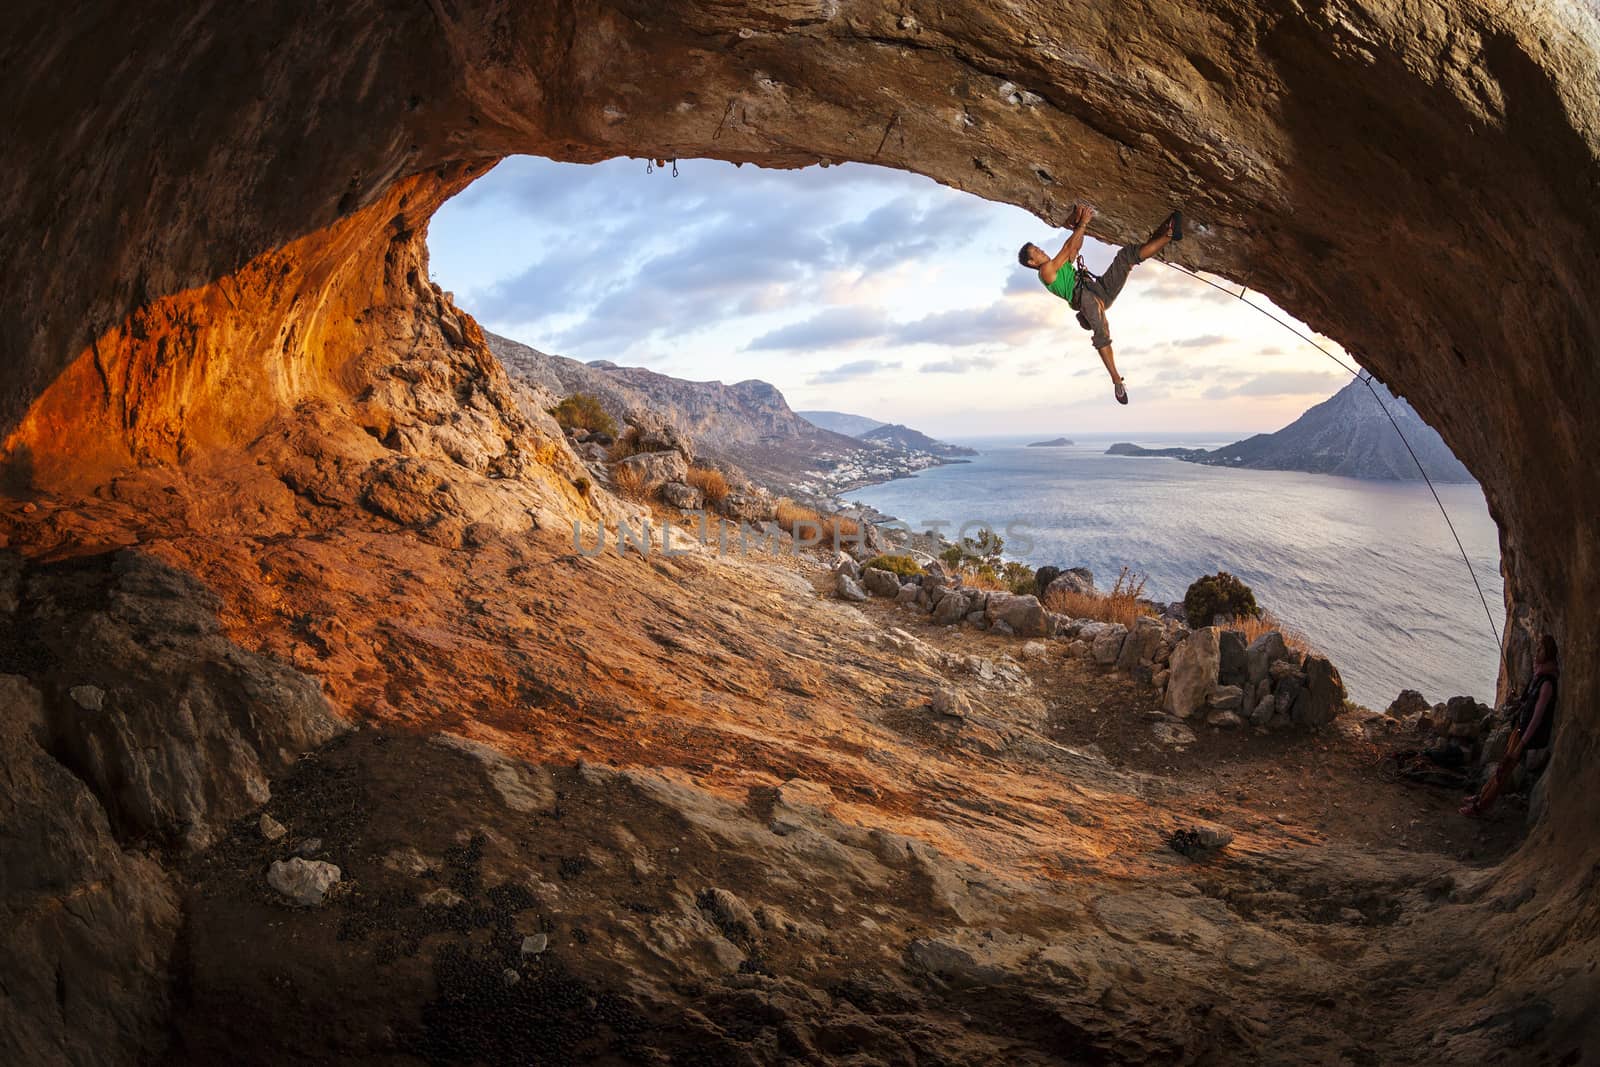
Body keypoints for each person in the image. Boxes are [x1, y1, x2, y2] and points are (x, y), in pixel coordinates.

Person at [1017, 204, 1181, 405]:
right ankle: (1116, 380)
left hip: (1099, 290)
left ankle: (1170, 234)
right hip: (1085, 297)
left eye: (1038, 248)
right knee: (1102, 334)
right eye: (1037, 252)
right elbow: (1067, 248)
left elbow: (1074, 248)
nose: (1041, 250)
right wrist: (1083, 221)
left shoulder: (1058, 265)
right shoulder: (1046, 272)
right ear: (1032, 263)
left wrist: (1079, 225)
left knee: (1126, 256)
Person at [1460, 633, 1559, 817]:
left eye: (1541, 649)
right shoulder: (1539, 675)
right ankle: (1480, 797)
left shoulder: (1547, 684)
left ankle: (1480, 807)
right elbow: (1526, 703)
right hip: (1519, 729)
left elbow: (1537, 717)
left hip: (1524, 735)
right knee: (1501, 766)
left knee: (1504, 771)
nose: (1537, 652)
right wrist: (1516, 701)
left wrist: (1522, 744)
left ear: (1548, 653)